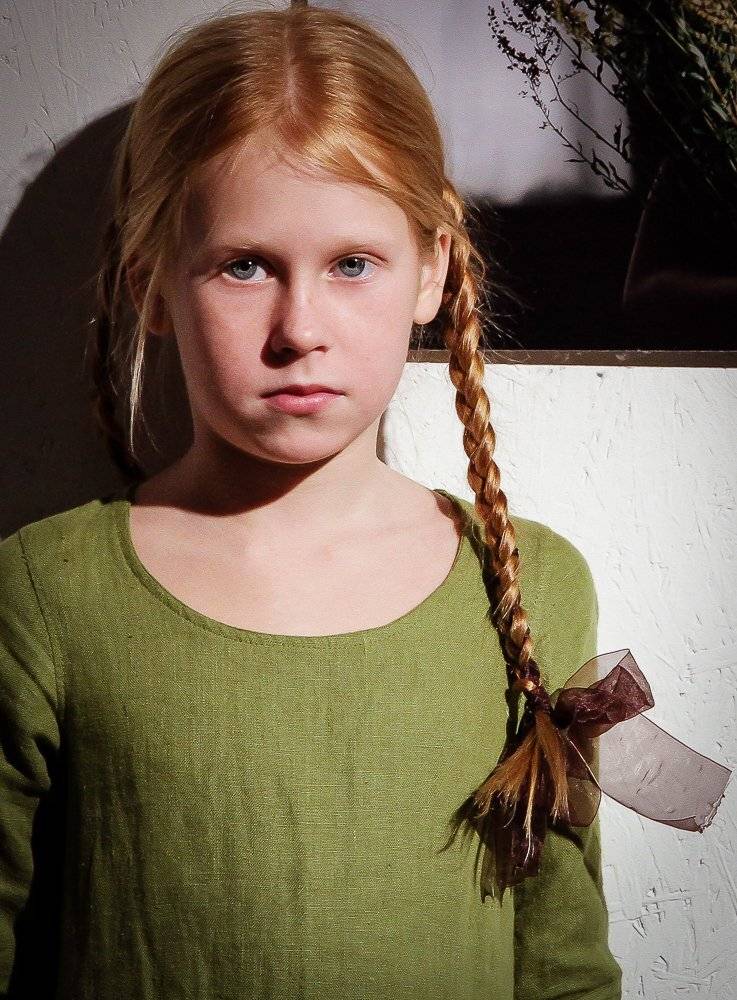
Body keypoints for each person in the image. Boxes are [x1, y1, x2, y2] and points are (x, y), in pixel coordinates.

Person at [0, 5, 624, 998]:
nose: (299, 328)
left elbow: (560, 961)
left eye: (351, 265)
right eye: (244, 266)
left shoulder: (531, 586)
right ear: (152, 286)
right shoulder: (44, 593)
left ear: (430, 272)